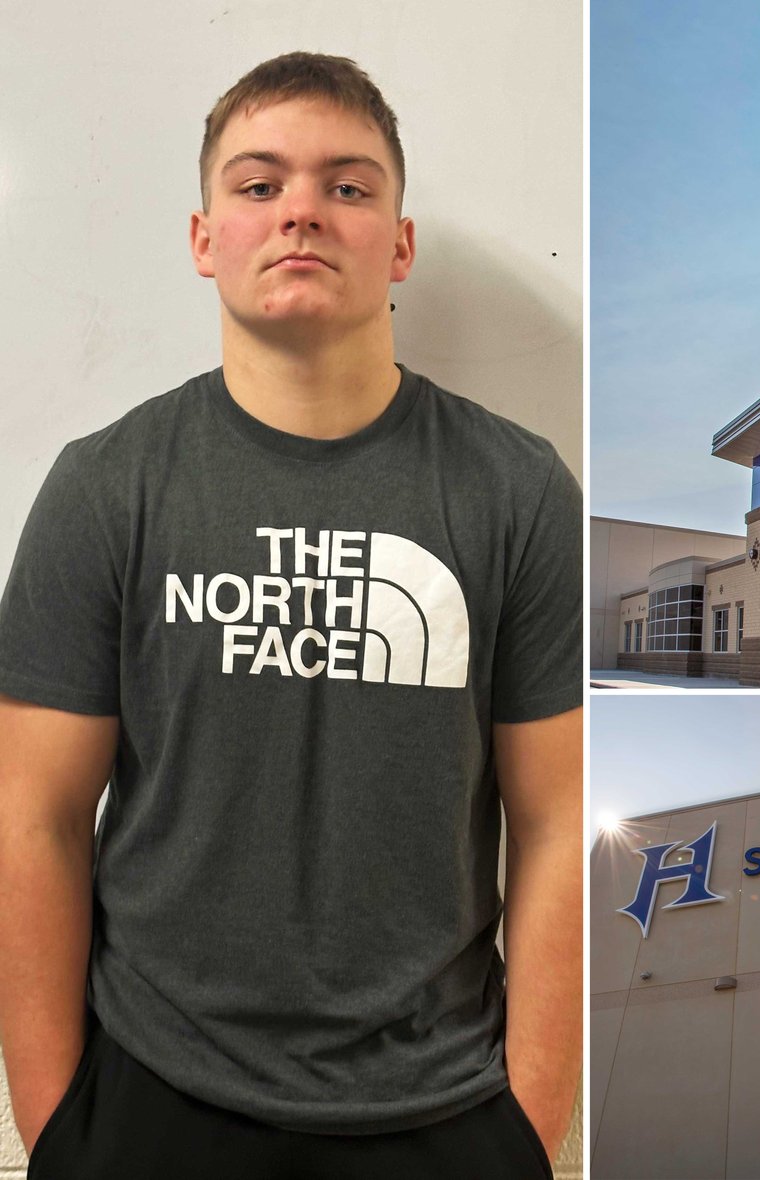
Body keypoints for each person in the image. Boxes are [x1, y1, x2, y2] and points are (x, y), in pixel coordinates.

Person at [0, 52, 581, 1179]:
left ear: (398, 243)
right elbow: (34, 816)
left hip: (444, 1109)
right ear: (204, 236)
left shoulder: (515, 491)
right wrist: (56, 1126)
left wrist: (530, 1122)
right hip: (150, 1099)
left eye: (348, 186)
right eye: (258, 184)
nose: (302, 210)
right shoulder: (106, 486)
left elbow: (557, 825)